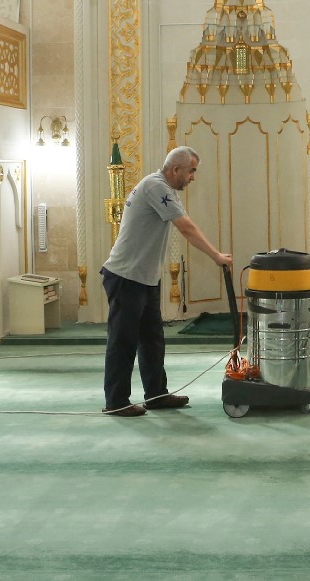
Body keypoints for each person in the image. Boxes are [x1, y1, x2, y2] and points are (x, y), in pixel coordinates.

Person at [101, 146, 232, 417]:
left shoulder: (165, 189)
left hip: (144, 278)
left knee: (152, 339)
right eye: (191, 171)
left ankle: (156, 395)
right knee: (123, 341)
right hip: (126, 277)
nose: (193, 177)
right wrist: (216, 256)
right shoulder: (155, 187)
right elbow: (186, 227)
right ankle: (116, 402)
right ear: (176, 169)